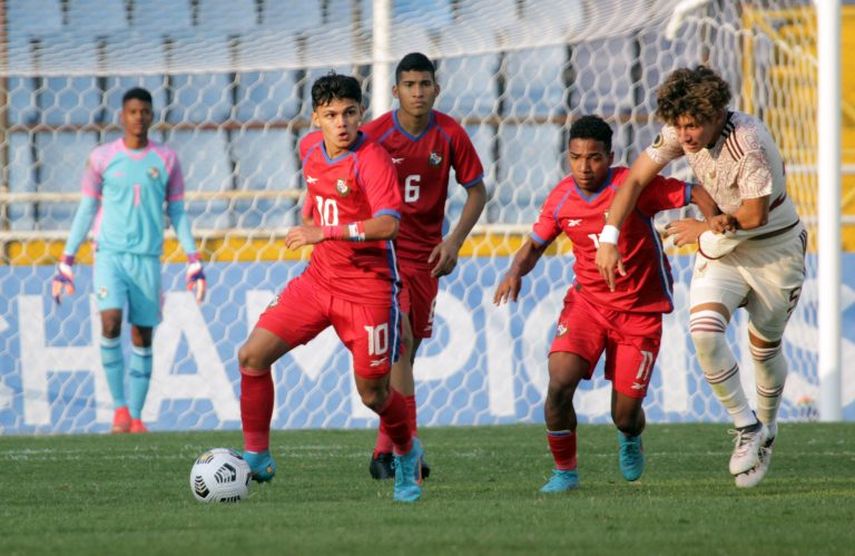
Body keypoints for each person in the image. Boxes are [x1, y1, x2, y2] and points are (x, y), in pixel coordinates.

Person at [595, 66, 806, 488]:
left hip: (773, 248)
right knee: (705, 333)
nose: (685, 134)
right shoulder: (679, 131)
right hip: (725, 248)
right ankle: (746, 428)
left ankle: (767, 428)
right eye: (679, 125)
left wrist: (702, 228)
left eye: (693, 125)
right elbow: (636, 178)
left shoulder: (748, 143)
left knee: (763, 352)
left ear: (715, 114)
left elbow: (753, 214)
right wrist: (609, 235)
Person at [494, 115, 716, 492]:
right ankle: (565, 471)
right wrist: (516, 271)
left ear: (610, 156)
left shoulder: (632, 186)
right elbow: (535, 244)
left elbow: (694, 193)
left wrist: (713, 229)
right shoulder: (562, 197)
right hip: (588, 305)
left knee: (624, 414)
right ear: (568, 156)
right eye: (576, 157)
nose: (584, 167)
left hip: (640, 313)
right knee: (559, 384)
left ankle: (630, 436)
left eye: (594, 158)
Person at [238, 73, 423, 503]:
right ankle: (256, 457)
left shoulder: (371, 159)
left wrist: (327, 232)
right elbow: (317, 194)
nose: (342, 123)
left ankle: (407, 453)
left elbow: (389, 225)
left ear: (361, 114)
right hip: (318, 282)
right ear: (316, 118)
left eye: (349, 113)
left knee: (374, 394)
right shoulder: (308, 150)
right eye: (331, 115)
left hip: (368, 291)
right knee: (251, 356)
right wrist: (310, 219)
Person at [359, 52, 487, 480]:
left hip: (427, 259)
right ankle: (406, 453)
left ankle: (384, 451)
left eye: (424, 84)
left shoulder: (450, 134)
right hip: (384, 254)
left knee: (405, 358)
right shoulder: (373, 135)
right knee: (400, 342)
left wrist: (454, 241)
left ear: (436, 88)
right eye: (409, 85)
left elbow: (477, 192)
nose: (418, 92)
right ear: (395, 91)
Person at [51, 87, 206, 434]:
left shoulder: (166, 160)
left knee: (142, 334)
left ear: (152, 116)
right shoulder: (102, 158)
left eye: (145, 112)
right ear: (122, 116)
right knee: (110, 321)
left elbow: (177, 211)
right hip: (109, 253)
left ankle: (135, 417)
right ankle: (119, 410)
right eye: (132, 112)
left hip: (147, 258)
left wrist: (193, 258)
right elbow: (87, 207)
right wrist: (67, 259)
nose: (139, 117)